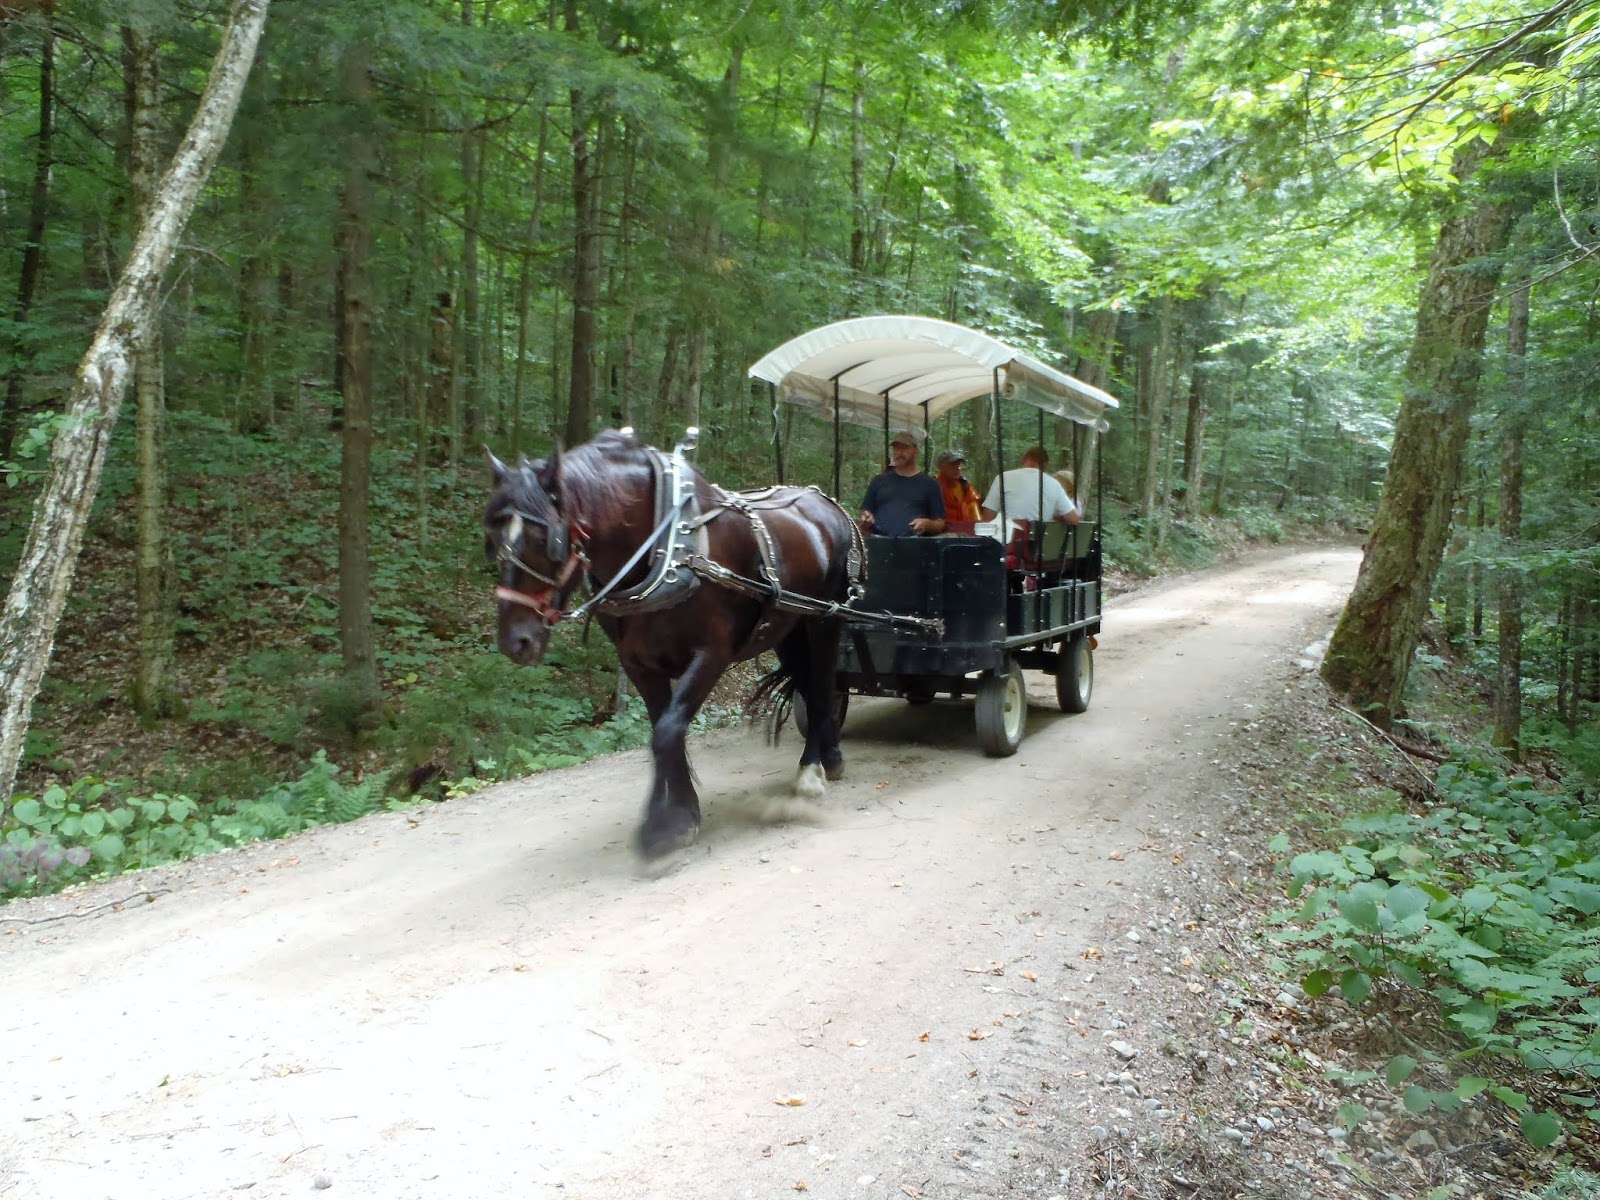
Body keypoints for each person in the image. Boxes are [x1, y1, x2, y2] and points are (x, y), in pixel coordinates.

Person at [860, 429, 945, 537]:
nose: (899, 453)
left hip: (914, 546)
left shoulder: (930, 484)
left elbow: (940, 524)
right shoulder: (878, 481)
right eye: (896, 448)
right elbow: (866, 512)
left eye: (904, 448)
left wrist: (927, 524)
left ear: (915, 451)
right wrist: (866, 518)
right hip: (879, 544)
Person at [981, 446, 1080, 525]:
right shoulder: (1054, 484)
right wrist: (1056, 517)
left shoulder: (1002, 478)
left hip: (1009, 542)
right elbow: (1074, 519)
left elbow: (988, 516)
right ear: (1045, 464)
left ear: (1023, 460)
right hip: (1039, 544)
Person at [935, 449, 981, 523]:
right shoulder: (933, 487)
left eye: (958, 465)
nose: (957, 468)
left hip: (965, 530)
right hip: (943, 531)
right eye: (952, 465)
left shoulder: (966, 487)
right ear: (941, 466)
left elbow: (975, 513)